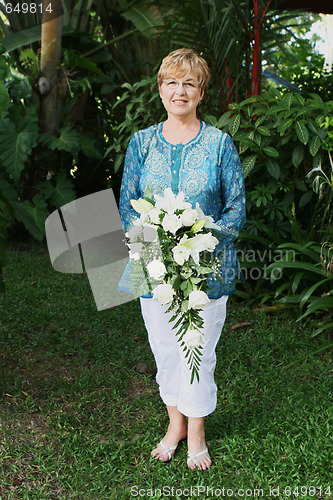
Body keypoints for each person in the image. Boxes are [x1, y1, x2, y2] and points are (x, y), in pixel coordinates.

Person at [119, 48, 246, 470]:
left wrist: (199, 239)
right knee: (165, 350)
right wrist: (159, 255)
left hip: (207, 269)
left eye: (189, 83)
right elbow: (128, 208)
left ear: (201, 92)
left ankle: (197, 433)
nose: (180, 90)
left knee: (199, 350)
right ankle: (175, 424)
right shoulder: (141, 143)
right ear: (160, 89)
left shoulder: (219, 144)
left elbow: (236, 208)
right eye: (172, 82)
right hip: (152, 264)